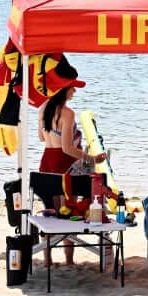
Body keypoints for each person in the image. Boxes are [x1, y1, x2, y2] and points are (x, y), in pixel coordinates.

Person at [38, 64, 107, 265]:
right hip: (64, 164)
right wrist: (92, 158)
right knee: (69, 212)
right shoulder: (68, 113)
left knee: (51, 212)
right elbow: (68, 149)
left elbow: (42, 138)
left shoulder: (43, 109)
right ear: (64, 89)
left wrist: (58, 134)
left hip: (46, 163)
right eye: (72, 87)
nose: (75, 91)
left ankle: (48, 259)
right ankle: (69, 260)